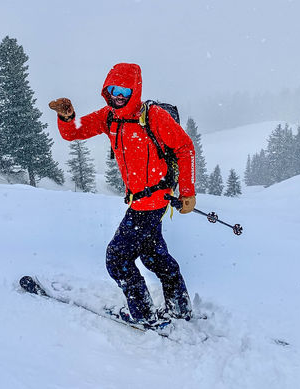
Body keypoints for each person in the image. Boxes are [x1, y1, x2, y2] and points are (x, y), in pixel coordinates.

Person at [49, 63, 196, 327]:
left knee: (117, 258)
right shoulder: (109, 117)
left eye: (124, 91)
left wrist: (187, 192)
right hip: (141, 201)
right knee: (154, 255)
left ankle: (143, 315)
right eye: (112, 89)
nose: (118, 95)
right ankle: (180, 308)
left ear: (135, 90)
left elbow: (185, 148)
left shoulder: (154, 117)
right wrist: (67, 117)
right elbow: (75, 133)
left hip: (152, 202)